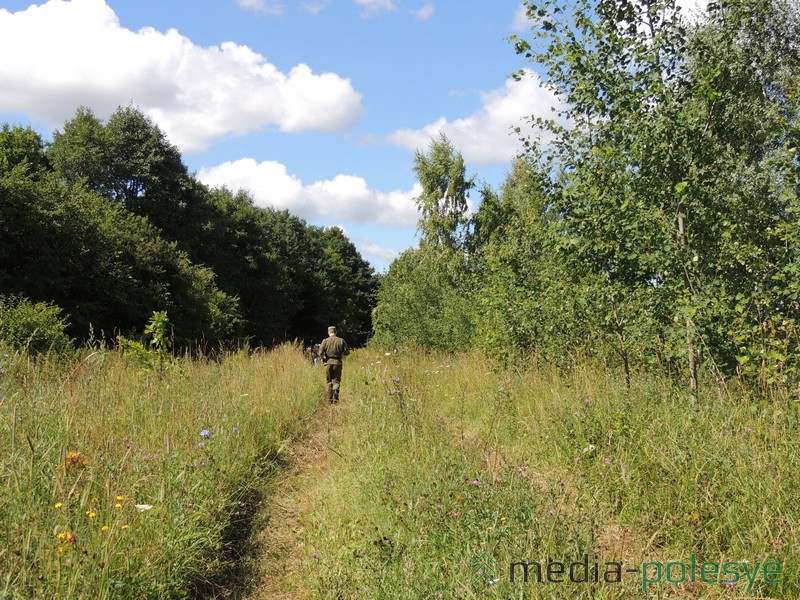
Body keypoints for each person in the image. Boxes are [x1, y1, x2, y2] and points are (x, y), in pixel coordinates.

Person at [319, 326, 348, 403]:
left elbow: (320, 352)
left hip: (328, 363)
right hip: (337, 363)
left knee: (329, 381)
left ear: (328, 332)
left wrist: (322, 358)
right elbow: (347, 352)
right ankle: (336, 393)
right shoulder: (341, 340)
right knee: (336, 381)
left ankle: (330, 399)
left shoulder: (325, 341)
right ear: (336, 332)